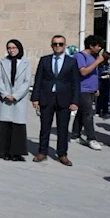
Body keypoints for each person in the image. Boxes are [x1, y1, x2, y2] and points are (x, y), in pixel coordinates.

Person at [31, 35, 80, 166]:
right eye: (55, 44)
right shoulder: (45, 60)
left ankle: (62, 154)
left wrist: (75, 101)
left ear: (65, 45)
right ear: (51, 45)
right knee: (45, 127)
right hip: (46, 97)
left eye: (60, 44)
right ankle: (42, 152)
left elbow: (76, 83)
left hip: (64, 99)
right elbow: (38, 79)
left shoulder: (71, 62)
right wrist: (35, 98)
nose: (58, 46)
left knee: (62, 128)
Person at [0, 39, 30, 161]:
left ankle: (16, 153)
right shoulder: (3, 62)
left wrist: (15, 95)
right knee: (5, 125)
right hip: (5, 98)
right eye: (9, 48)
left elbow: (27, 81)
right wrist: (5, 94)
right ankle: (4, 151)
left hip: (18, 99)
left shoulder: (26, 62)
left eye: (14, 48)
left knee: (17, 126)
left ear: (19, 48)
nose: (11, 50)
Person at [70, 35, 105, 150]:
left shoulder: (92, 57)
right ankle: (91, 138)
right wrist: (97, 62)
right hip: (82, 89)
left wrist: (96, 88)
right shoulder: (80, 56)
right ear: (91, 46)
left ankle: (75, 135)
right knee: (88, 114)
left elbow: (93, 74)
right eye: (98, 46)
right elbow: (83, 72)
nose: (99, 48)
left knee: (81, 113)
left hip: (91, 90)